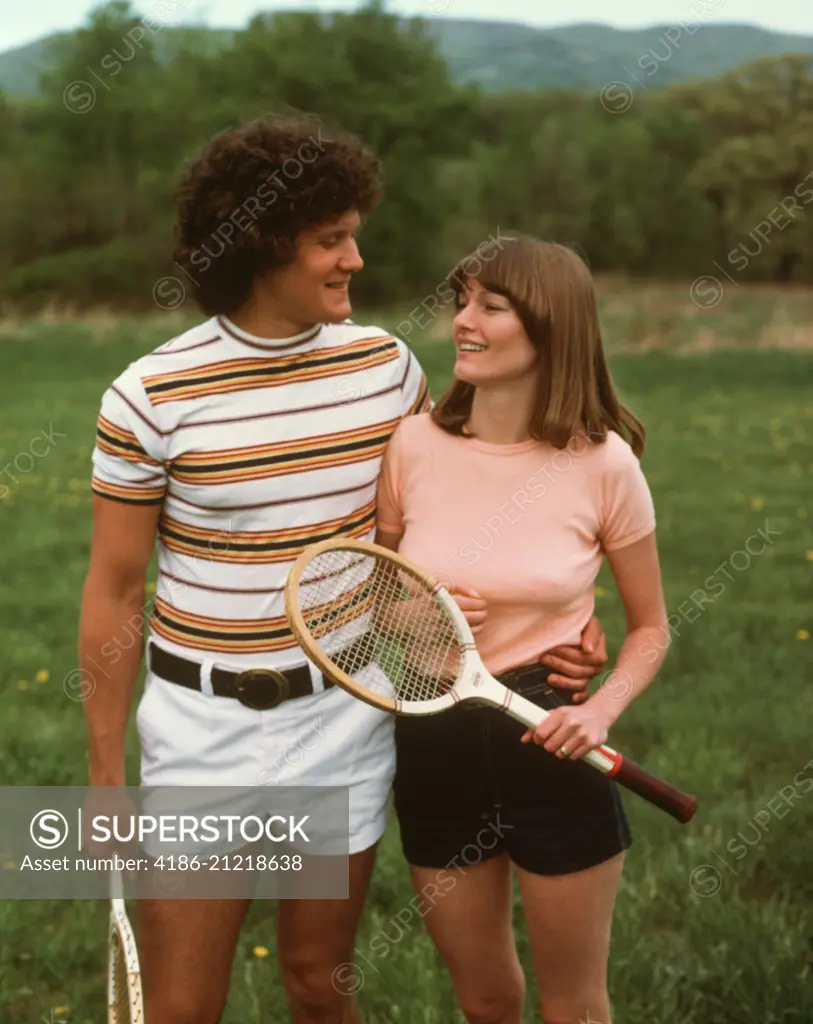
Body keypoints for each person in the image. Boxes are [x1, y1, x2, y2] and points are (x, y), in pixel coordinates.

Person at [79, 113, 608, 1024]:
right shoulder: (149, 395)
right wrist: (102, 775)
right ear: (259, 244)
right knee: (179, 1008)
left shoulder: (385, 369)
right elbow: (115, 589)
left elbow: (453, 514)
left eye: (354, 235)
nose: (354, 260)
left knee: (320, 985)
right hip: (203, 736)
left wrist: (563, 620)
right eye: (331, 240)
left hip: (341, 717)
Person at [375, 236, 669, 1024]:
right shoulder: (411, 445)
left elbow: (650, 630)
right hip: (433, 735)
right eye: (460, 302)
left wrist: (596, 711)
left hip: (550, 737)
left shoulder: (604, 464)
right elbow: (376, 598)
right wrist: (413, 610)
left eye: (490, 308)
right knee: (484, 999)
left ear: (550, 327)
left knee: (573, 1006)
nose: (462, 323)